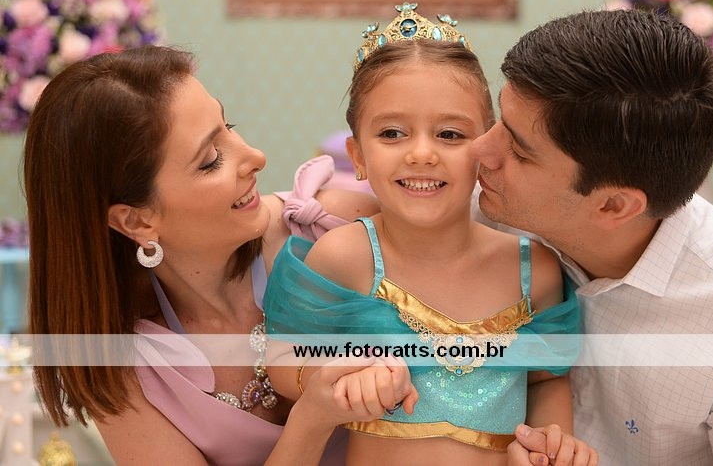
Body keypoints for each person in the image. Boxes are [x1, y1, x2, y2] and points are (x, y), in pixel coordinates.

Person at [23, 45, 417, 465]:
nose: (256, 158)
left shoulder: (332, 227)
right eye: (210, 160)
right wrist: (312, 419)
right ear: (137, 221)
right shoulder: (121, 366)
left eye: (228, 126)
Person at [263, 3, 596, 466]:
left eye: (450, 135)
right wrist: (340, 378)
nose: (422, 154)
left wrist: (550, 443)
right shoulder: (344, 257)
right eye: (392, 133)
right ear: (357, 156)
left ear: (487, 148)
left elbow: (545, 379)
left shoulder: (531, 268)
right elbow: (283, 363)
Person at [470, 9, 713, 465]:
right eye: (499, 119)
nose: (479, 149)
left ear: (614, 206)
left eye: (520, 152)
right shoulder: (485, 203)